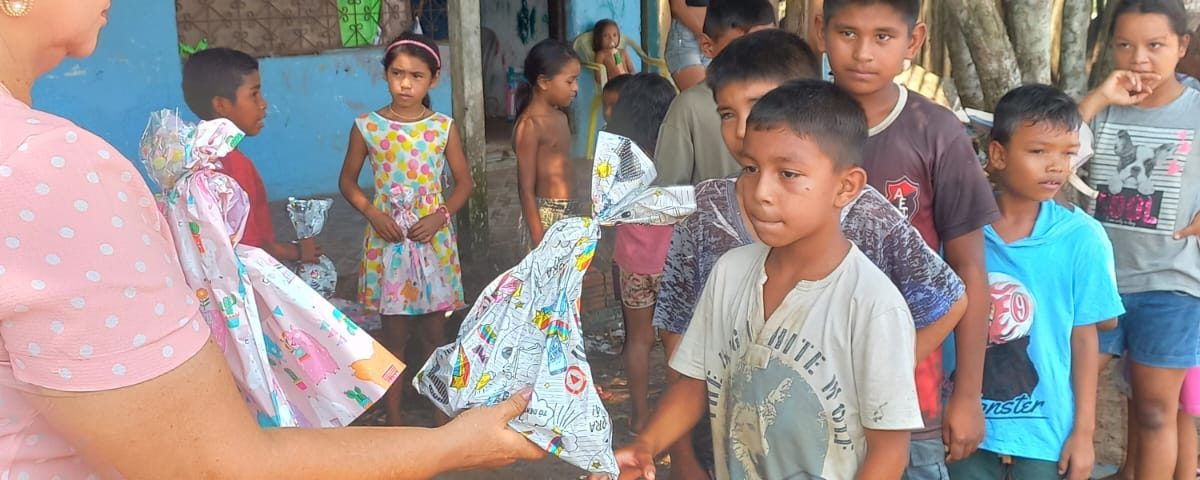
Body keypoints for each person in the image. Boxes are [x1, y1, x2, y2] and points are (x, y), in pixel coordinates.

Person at [0, 1, 542, 477]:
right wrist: (451, 447)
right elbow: (216, 462)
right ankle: (403, 409)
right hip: (388, 243)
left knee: (427, 328)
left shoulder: (36, 158)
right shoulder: (46, 165)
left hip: (426, 241)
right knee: (391, 336)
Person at [652, 28, 969, 479]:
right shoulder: (712, 228)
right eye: (727, 112)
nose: (743, 128)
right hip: (729, 444)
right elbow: (683, 345)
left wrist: (873, 376)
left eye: (761, 107)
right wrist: (665, 450)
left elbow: (949, 299)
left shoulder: (867, 236)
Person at [606, 79, 925, 480]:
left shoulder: (873, 305)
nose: (760, 192)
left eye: (788, 174)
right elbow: (692, 385)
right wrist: (646, 445)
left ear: (846, 187)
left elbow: (889, 454)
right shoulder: (730, 273)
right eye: (752, 169)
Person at [819, 1, 1001, 475]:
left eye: (883, 36)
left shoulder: (936, 132)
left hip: (908, 389)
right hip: (809, 377)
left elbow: (968, 271)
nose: (862, 52)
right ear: (821, 31)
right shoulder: (798, 122)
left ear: (913, 41)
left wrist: (967, 396)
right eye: (847, 33)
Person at [944, 85, 1124, 480]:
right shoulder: (958, 232)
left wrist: (1083, 432)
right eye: (1039, 151)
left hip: (1047, 430)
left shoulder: (1082, 238)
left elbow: (1086, 335)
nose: (1056, 166)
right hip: (961, 419)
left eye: (1067, 153)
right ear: (998, 154)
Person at [1079, 1, 1200, 477]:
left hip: (1170, 283)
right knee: (1071, 395)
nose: (1139, 59)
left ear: (1181, 47)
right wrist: (1096, 99)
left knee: (1154, 410)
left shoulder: (1195, 109)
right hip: (1097, 283)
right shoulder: (1101, 109)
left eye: (1155, 46)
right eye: (1126, 45)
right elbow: (1052, 146)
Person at [338, 32, 472, 426]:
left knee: (434, 335)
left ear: (434, 79)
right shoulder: (367, 127)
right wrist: (371, 212)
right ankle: (394, 420)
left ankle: (439, 418)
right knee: (393, 337)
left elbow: (464, 182)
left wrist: (440, 216)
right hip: (389, 244)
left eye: (416, 75)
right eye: (397, 74)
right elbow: (347, 181)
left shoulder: (442, 128)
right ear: (385, 75)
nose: (406, 84)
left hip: (434, 244)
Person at [181, 47, 322, 265]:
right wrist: (298, 252)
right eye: (254, 94)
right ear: (221, 105)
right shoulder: (235, 165)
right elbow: (249, 248)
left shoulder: (192, 156)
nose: (263, 104)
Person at [602, 73, 678, 438]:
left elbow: (606, 210)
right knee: (676, 342)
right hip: (674, 261)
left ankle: (640, 417)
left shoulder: (617, 155)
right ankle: (678, 416)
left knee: (638, 341)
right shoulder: (676, 148)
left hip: (632, 262)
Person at [653, 0, 776, 186]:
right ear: (708, 47)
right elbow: (667, 195)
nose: (755, 57)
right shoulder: (688, 108)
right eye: (740, 48)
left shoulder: (787, 101)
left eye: (767, 45)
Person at [512, 38, 581, 248]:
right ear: (543, 82)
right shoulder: (530, 126)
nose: (576, 88)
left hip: (570, 211)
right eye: (569, 81)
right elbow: (525, 188)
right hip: (544, 218)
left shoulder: (560, 117)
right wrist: (537, 237)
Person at [666, 0, 710, 91]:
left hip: (712, 37)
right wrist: (701, 35)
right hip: (687, 40)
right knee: (703, 96)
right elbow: (678, 8)